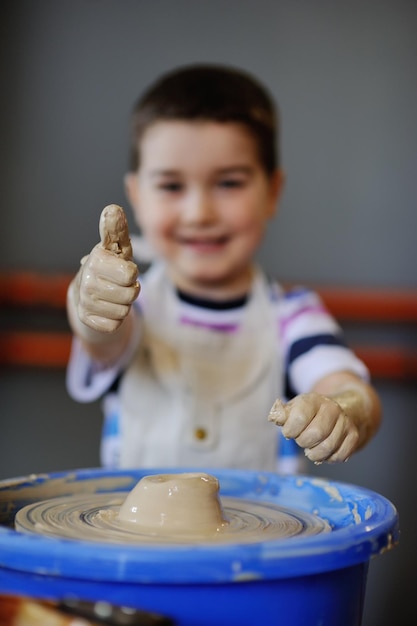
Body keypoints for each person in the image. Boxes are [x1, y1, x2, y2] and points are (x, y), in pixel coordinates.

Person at [66, 64, 381, 473]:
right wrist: (88, 299)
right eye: (171, 186)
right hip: (133, 537)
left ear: (273, 192)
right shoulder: (135, 306)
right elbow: (100, 337)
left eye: (229, 183)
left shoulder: (294, 317)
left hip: (258, 537)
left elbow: (350, 389)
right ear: (137, 196)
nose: (199, 213)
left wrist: (345, 410)